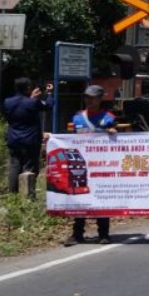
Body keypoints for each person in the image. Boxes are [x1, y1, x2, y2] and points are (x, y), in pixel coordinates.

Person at [66, 85, 116, 246]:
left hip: (102, 166)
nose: (89, 100)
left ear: (100, 99)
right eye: (87, 97)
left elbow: (118, 139)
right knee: (80, 200)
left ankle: (103, 233)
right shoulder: (77, 118)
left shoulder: (108, 117)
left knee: (101, 199)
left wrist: (113, 131)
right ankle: (77, 234)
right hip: (81, 166)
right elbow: (70, 140)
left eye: (93, 97)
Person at [2, 77, 53, 199]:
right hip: (30, 140)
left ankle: (13, 196)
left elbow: (20, 110)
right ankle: (27, 197)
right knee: (30, 167)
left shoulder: (7, 102)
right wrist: (49, 93)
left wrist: (31, 98)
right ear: (28, 88)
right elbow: (49, 105)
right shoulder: (33, 102)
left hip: (13, 139)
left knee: (15, 166)